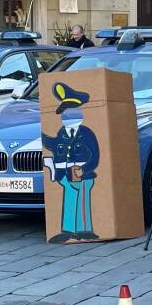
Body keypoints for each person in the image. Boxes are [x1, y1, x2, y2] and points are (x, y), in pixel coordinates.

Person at [42, 83, 100, 244]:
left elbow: (95, 155)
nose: (66, 117)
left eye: (70, 113)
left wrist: (84, 168)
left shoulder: (86, 133)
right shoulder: (62, 132)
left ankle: (85, 230)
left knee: (82, 200)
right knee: (69, 199)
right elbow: (55, 145)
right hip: (65, 175)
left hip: (83, 174)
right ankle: (68, 231)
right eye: (64, 114)